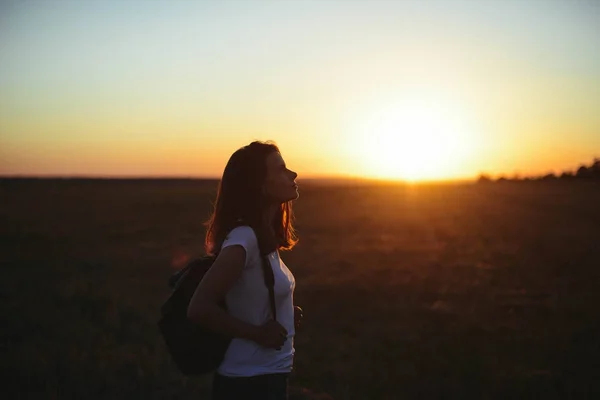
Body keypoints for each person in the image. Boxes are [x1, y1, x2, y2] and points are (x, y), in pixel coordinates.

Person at [187, 140, 303, 400]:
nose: (293, 174)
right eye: (281, 169)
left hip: (267, 376)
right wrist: (259, 334)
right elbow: (199, 308)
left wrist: (282, 311)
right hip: (249, 384)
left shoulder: (263, 237)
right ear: (260, 185)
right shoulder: (244, 239)